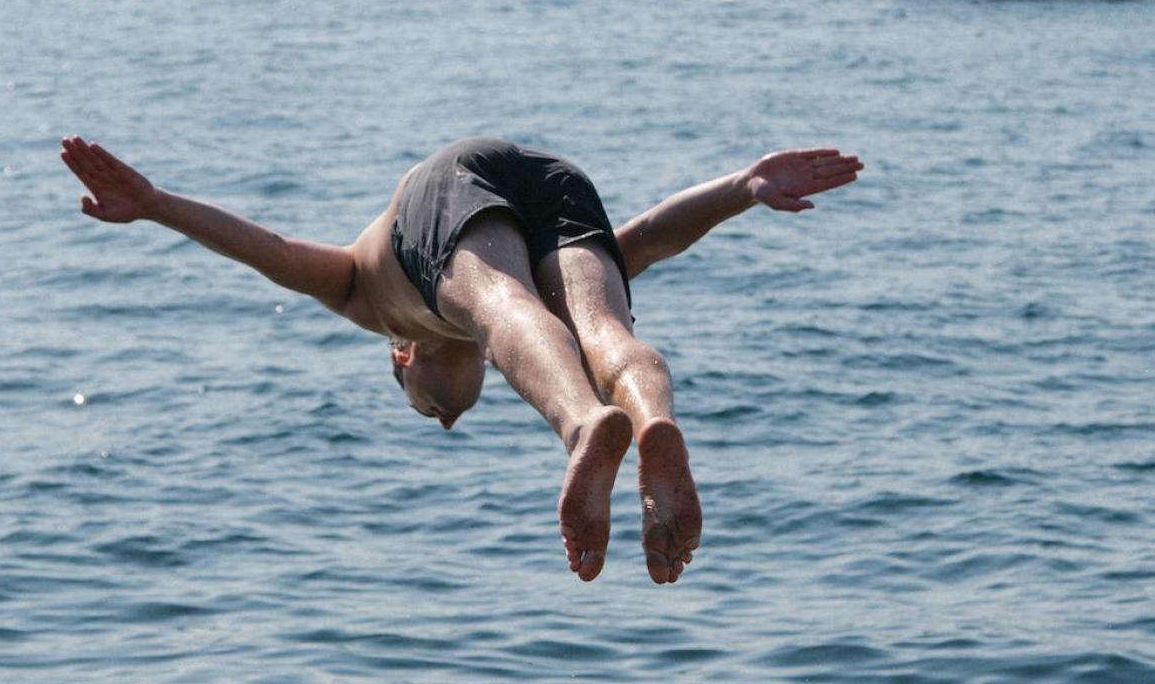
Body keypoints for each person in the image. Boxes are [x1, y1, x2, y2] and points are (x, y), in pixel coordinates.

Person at [60, 135, 862, 584]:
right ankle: (651, 423)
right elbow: (651, 234)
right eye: (456, 413)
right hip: (554, 177)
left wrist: (160, 206)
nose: (446, 417)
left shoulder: (360, 297)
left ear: (399, 358)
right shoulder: (491, 328)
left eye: (429, 407)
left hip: (449, 180)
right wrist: (742, 185)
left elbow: (264, 249)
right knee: (598, 328)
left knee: (495, 309)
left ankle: (585, 424)